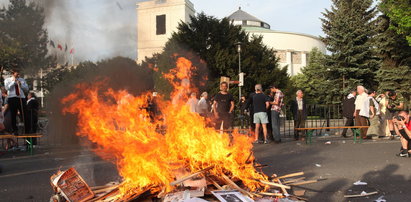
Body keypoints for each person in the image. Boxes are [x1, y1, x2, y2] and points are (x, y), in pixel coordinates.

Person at [4, 69, 29, 135]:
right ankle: (15, 130)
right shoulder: (7, 80)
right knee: (13, 114)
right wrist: (13, 82)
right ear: (13, 74)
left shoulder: (22, 80)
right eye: (17, 74)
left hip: (21, 97)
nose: (18, 75)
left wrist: (21, 85)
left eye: (18, 74)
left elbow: (26, 89)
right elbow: (7, 88)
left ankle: (27, 130)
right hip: (12, 97)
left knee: (24, 113)